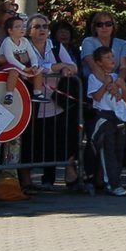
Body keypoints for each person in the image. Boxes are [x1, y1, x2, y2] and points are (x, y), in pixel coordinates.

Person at [22, 14, 81, 191]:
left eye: (45, 27)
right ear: (29, 31)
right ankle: (27, 180)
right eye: (37, 26)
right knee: (31, 142)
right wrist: (56, 67)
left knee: (61, 139)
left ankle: (70, 175)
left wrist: (65, 68)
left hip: (56, 103)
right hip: (32, 102)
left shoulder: (56, 47)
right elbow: (31, 69)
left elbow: (72, 66)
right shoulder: (23, 47)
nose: (42, 30)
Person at [85, 46, 126, 196]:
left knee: (119, 151)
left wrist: (122, 88)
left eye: (112, 56)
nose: (112, 60)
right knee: (107, 150)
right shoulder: (94, 77)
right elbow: (96, 97)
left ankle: (116, 180)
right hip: (104, 117)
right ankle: (111, 183)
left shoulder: (117, 77)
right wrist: (106, 84)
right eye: (107, 57)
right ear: (98, 62)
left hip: (118, 117)